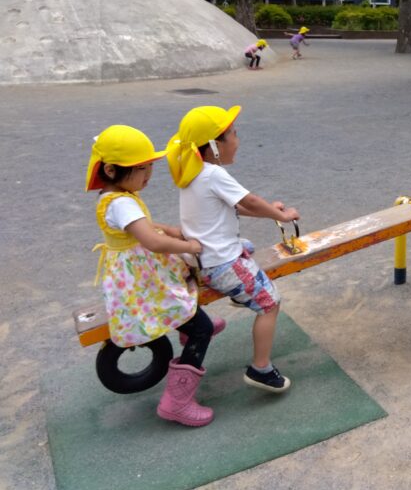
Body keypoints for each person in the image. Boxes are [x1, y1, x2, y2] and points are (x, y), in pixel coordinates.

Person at [86, 125, 225, 427]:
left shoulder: (115, 197)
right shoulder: (122, 203)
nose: (148, 174)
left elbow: (141, 225)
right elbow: (152, 241)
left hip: (139, 274)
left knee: (182, 283)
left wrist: (167, 228)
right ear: (111, 169)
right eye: (142, 169)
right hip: (140, 281)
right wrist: (187, 244)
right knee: (200, 325)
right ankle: (177, 401)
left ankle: (189, 323)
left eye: (150, 167)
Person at [166, 106, 300, 394]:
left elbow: (236, 206)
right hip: (220, 264)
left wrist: (269, 211)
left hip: (204, 257)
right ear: (215, 145)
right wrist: (282, 216)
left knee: (247, 247)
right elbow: (249, 201)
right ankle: (260, 368)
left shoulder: (192, 172)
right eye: (234, 135)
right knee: (270, 302)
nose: (237, 141)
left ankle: (241, 293)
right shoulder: (213, 173)